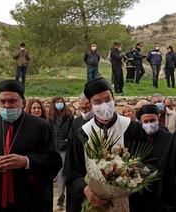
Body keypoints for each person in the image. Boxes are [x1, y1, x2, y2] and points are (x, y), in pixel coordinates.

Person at [0, 80, 62, 212]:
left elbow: (54, 160)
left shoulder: (40, 126)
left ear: (22, 102)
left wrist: (26, 161)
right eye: (3, 101)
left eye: (12, 101)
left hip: (30, 199)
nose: (7, 106)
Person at [63, 77, 146, 212]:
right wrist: (87, 190)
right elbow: (72, 173)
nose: (104, 105)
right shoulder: (82, 134)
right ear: (90, 104)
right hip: (94, 204)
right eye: (97, 102)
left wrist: (134, 178)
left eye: (107, 99)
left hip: (129, 203)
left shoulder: (132, 129)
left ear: (113, 99)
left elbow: (147, 163)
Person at [138, 104, 172, 211]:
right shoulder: (136, 137)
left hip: (163, 189)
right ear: (141, 121)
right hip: (142, 190)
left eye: (152, 120)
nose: (149, 124)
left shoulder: (169, 138)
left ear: (158, 118)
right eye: (146, 122)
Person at [65, 93, 93, 212]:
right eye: (81, 108)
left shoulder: (100, 121)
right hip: (78, 168)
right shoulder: (76, 122)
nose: (84, 111)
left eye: (87, 108)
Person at [24, 98, 53, 211]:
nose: (37, 110)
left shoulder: (47, 123)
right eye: (34, 108)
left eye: (38, 108)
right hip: (30, 169)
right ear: (29, 110)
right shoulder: (25, 126)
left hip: (45, 169)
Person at [47, 96, 74, 209]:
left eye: (61, 101)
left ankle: (60, 199)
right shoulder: (50, 117)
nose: (59, 103)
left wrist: (67, 141)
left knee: (61, 174)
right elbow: (49, 132)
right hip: (53, 149)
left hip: (64, 148)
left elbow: (71, 131)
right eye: (57, 102)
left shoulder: (68, 115)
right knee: (56, 174)